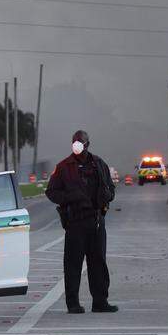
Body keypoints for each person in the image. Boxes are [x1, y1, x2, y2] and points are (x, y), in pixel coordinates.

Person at [46, 130, 118, 314]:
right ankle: (73, 303)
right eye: (75, 142)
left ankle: (100, 301)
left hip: (96, 221)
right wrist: (70, 197)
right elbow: (52, 192)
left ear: (87, 144)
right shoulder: (64, 167)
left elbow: (110, 186)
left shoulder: (99, 164)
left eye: (81, 142)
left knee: (98, 262)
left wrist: (107, 197)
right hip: (75, 222)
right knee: (73, 264)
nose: (78, 145)